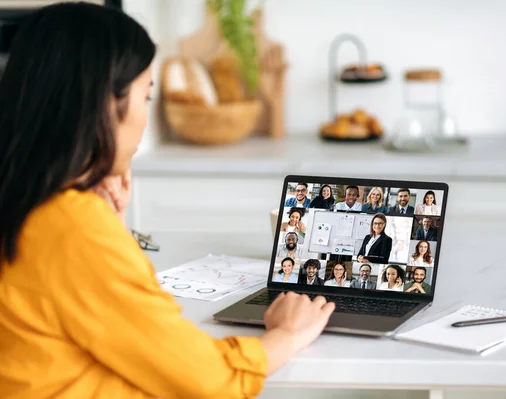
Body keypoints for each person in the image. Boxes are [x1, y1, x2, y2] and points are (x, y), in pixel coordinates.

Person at [0, 4, 335, 398]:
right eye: (146, 96)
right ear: (108, 104)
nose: (145, 115)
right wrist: (287, 334)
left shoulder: (29, 201)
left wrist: (112, 225)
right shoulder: (73, 226)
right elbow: (207, 381)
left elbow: (98, 318)